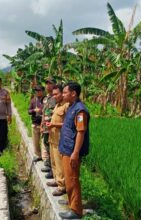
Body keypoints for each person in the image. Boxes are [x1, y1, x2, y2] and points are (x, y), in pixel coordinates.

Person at [58, 82, 90, 219]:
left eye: (65, 92)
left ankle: (76, 211)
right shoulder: (71, 107)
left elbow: (81, 132)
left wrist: (75, 153)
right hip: (66, 148)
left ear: (73, 93)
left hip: (72, 151)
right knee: (68, 179)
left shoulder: (80, 110)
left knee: (72, 179)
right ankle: (71, 201)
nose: (63, 94)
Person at [46, 84, 69, 196]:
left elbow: (68, 124)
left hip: (60, 139)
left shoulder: (66, 106)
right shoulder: (57, 105)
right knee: (54, 162)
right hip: (53, 137)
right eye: (53, 94)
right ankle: (56, 180)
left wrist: (54, 124)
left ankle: (62, 186)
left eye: (56, 94)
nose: (54, 96)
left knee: (60, 164)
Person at [40, 78, 56, 179]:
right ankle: (49, 165)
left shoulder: (56, 98)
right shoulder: (46, 98)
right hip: (45, 127)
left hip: (52, 127)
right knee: (46, 145)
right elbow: (44, 112)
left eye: (50, 84)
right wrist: (42, 124)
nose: (48, 86)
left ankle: (52, 170)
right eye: (46, 84)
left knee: (52, 147)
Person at [28, 85, 44, 162]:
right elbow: (29, 111)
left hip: (44, 124)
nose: (37, 92)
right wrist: (34, 110)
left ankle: (46, 158)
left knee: (44, 142)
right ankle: (38, 155)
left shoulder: (45, 100)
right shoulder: (33, 100)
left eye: (39, 90)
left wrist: (41, 110)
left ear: (42, 91)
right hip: (35, 123)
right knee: (35, 141)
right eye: (36, 91)